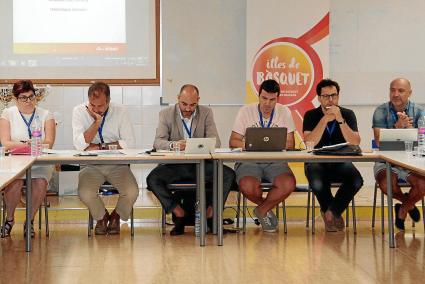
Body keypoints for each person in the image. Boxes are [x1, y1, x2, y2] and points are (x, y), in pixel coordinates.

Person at [146, 84, 235, 236]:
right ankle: (178, 213)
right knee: (152, 179)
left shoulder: (206, 113)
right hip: (175, 166)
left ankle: (211, 214)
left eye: (193, 104)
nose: (188, 108)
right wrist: (175, 144)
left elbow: (216, 142)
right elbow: (158, 142)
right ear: (178, 98)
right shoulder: (166, 114)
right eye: (184, 104)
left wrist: (196, 145)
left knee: (228, 175)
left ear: (198, 101)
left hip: (201, 164)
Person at [229, 79, 296, 233]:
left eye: (272, 100)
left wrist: (272, 145)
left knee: (288, 184)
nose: (267, 103)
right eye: (264, 98)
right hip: (249, 160)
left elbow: (291, 143)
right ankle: (265, 209)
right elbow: (233, 141)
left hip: (275, 161)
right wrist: (250, 144)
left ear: (278, 99)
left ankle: (262, 210)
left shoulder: (284, 111)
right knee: (248, 185)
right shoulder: (245, 111)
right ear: (258, 96)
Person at [72, 82, 139, 235]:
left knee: (132, 191)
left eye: (100, 106)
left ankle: (116, 216)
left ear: (108, 101)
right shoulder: (78, 111)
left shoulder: (120, 111)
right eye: (92, 105)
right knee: (84, 192)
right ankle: (102, 217)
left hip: (117, 164)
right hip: (91, 165)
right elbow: (79, 145)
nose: (96, 109)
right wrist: (96, 123)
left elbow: (129, 144)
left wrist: (100, 146)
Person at [303, 78, 363, 232]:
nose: (331, 100)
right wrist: (324, 120)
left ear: (338, 96)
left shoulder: (347, 114)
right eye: (326, 96)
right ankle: (330, 211)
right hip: (316, 161)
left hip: (340, 161)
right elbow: (309, 142)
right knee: (317, 182)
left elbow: (355, 141)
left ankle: (331, 212)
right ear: (319, 98)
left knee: (356, 180)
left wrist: (340, 120)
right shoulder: (311, 114)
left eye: (334, 95)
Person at [0, 80, 56, 237]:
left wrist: (31, 144)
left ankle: (29, 221)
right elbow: (5, 142)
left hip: (40, 161)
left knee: (40, 182)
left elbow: (49, 143)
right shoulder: (7, 114)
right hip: (16, 160)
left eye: (31, 97)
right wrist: (28, 144)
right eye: (23, 98)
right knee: (14, 183)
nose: (28, 101)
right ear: (15, 98)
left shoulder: (46, 114)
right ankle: (9, 220)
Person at [372, 77, 425, 230]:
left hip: (411, 161)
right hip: (386, 161)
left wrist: (407, 132)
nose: (395, 94)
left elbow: (422, 142)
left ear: (409, 93)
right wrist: (397, 128)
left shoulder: (420, 112)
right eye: (392, 90)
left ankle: (402, 209)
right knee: (386, 185)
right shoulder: (380, 111)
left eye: (400, 91)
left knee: (423, 185)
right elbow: (379, 142)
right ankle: (409, 205)